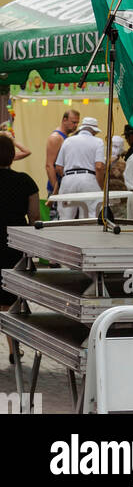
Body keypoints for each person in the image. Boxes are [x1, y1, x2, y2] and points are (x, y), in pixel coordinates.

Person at [0, 133, 39, 364]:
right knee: (13, 302)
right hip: (13, 246)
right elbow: (34, 217)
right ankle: (14, 350)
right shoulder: (25, 181)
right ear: (13, 156)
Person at [54, 115, 105, 220]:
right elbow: (99, 167)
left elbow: (58, 167)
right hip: (88, 178)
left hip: (68, 179)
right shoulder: (98, 142)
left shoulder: (68, 141)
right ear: (94, 131)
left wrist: (68, 176)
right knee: (91, 215)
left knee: (65, 218)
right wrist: (100, 187)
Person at [45, 108, 79, 199]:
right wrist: (56, 191)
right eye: (73, 122)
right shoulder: (56, 138)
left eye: (77, 123)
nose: (76, 126)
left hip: (65, 186)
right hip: (58, 188)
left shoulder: (65, 137)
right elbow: (49, 165)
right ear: (64, 120)